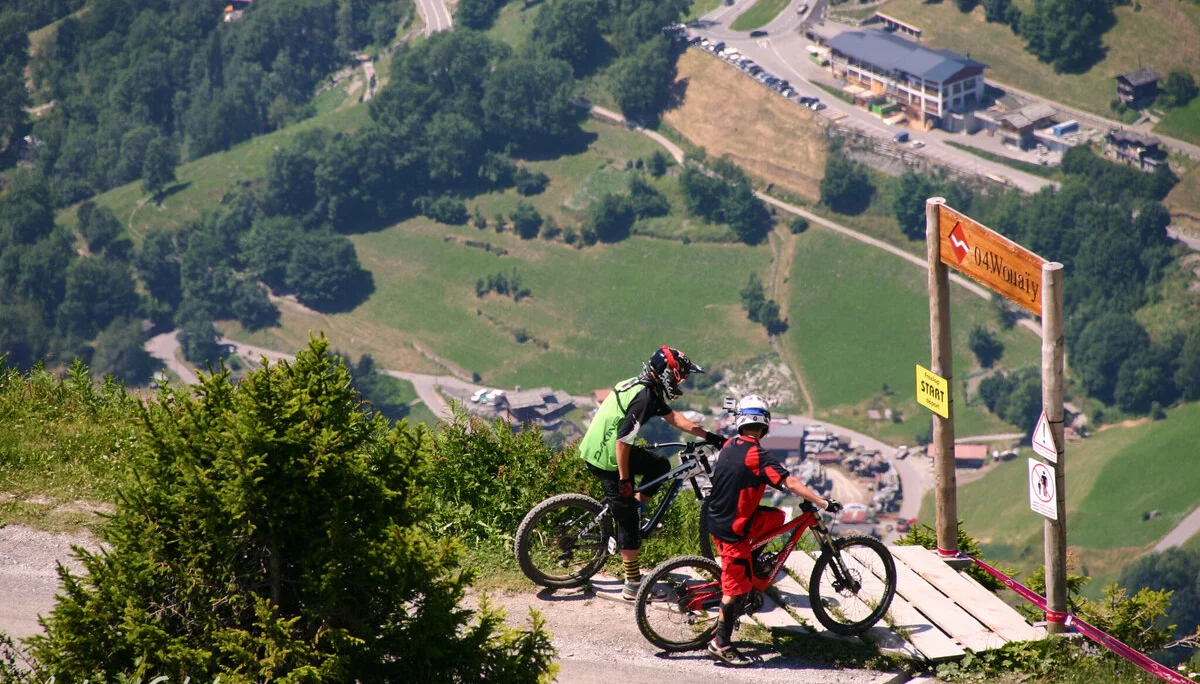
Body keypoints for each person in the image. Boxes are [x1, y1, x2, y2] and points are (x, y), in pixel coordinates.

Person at [704, 395, 842, 667]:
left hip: (720, 517)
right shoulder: (757, 454)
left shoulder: (731, 444)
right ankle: (720, 643)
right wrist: (821, 501)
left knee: (777, 516)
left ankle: (752, 563)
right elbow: (788, 481)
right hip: (733, 531)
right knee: (734, 591)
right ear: (764, 426)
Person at [579, 346, 725, 600]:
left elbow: (676, 419)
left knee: (659, 466)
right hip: (608, 457)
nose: (683, 380)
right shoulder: (645, 398)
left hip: (600, 447)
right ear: (668, 373)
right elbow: (623, 442)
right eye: (681, 375)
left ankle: (639, 509)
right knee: (626, 520)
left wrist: (710, 436)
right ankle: (632, 584)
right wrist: (625, 480)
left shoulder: (641, 386)